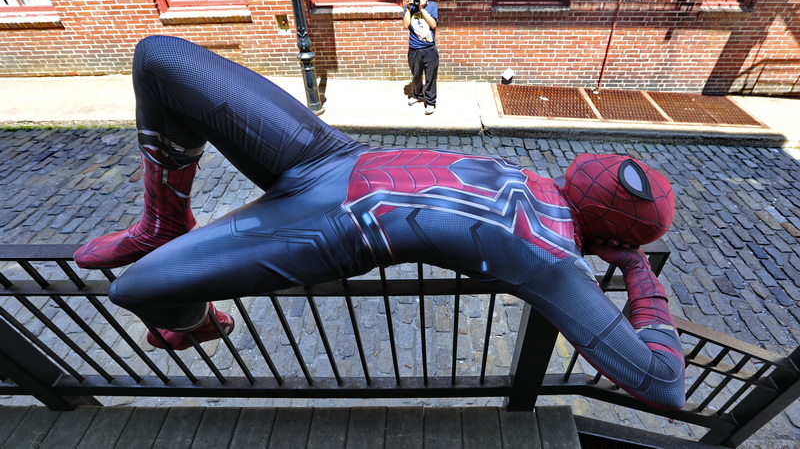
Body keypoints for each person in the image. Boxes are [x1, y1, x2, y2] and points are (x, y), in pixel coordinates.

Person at [74, 35, 686, 410]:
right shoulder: (540, 185)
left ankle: (198, 323)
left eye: (614, 189)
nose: (602, 171)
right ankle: (164, 221)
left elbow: (662, 383)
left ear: (610, 229)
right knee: (160, 60)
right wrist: (630, 260)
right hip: (331, 154)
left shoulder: (557, 265)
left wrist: (638, 276)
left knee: (137, 289)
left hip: (336, 223)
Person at [403, 0, 439, 115]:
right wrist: (408, 8)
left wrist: (422, 8)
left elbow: (433, 25)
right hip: (414, 49)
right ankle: (417, 94)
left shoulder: (432, 6)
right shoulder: (409, 8)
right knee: (416, 75)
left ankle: (430, 102)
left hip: (429, 49)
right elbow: (406, 25)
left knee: (430, 77)